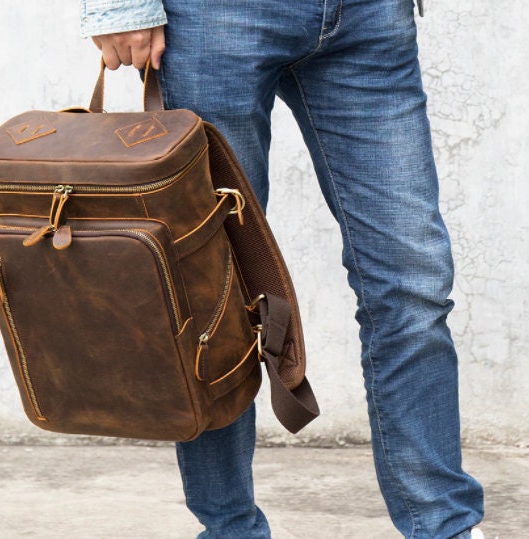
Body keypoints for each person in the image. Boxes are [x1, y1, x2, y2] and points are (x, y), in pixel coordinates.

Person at [79, 1, 485, 537]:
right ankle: (230, 529)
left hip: (369, 17)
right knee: (210, 288)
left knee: (413, 282)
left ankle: (443, 526)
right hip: (214, 19)